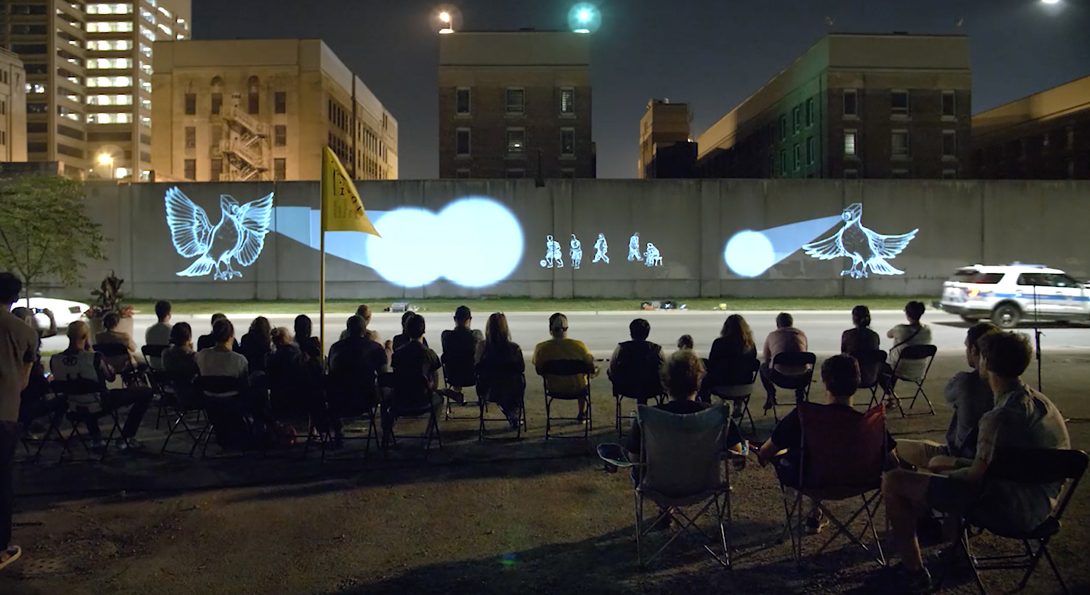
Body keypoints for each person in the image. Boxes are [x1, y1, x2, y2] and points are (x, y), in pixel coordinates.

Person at [874, 332, 1071, 593]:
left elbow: (974, 475)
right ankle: (954, 550)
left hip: (1007, 508)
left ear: (986, 361)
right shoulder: (1042, 403)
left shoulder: (997, 417)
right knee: (940, 472)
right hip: (1043, 504)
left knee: (895, 480)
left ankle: (914, 572)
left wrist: (946, 464)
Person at [757, 355, 898, 535]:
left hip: (812, 481)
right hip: (862, 481)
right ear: (858, 381)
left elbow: (767, 451)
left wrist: (762, 454)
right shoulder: (871, 423)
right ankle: (814, 515)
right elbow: (893, 463)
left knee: (806, 457)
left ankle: (813, 514)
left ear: (825, 381)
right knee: (821, 455)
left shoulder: (805, 416)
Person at [897, 323, 999, 470]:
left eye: (967, 347)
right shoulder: (1014, 392)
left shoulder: (966, 382)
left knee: (893, 447)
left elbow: (949, 395)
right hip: (985, 459)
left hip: (960, 457)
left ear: (974, 349)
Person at [49, 321, 154, 451]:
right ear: (85, 337)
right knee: (146, 392)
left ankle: (96, 438)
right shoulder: (94, 358)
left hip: (73, 406)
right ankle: (127, 436)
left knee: (81, 390)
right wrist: (91, 352)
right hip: (100, 403)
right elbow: (111, 377)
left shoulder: (55, 359)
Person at [625, 349, 743, 459]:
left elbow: (634, 457)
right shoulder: (718, 414)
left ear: (665, 382)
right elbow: (737, 451)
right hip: (705, 479)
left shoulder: (647, 416)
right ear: (698, 381)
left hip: (659, 479)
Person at [0, 273, 38, 571]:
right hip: (5, 412)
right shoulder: (24, 332)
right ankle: (1, 548)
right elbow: (25, 381)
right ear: (15, 297)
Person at [326, 316, 388, 446]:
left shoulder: (336, 348)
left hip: (339, 400)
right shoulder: (375, 348)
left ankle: (338, 431)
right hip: (367, 398)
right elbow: (383, 375)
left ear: (347, 330)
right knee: (387, 392)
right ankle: (386, 435)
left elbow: (331, 372)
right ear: (365, 331)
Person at [533, 313, 597, 423]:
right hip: (577, 388)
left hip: (554, 387)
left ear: (550, 329)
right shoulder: (579, 346)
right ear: (567, 328)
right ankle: (581, 413)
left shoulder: (541, 348)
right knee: (585, 377)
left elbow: (538, 369)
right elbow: (590, 366)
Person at [388, 314, 443, 436]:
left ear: (406, 331)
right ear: (423, 331)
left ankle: (388, 434)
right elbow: (435, 384)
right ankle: (429, 434)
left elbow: (395, 377)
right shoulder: (430, 354)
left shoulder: (397, 354)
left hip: (400, 400)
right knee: (439, 400)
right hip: (422, 401)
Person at [475, 313, 526, 428]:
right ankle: (513, 413)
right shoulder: (514, 348)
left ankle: (511, 412)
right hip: (511, 389)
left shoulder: (483, 347)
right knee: (510, 384)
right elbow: (521, 368)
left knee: (497, 384)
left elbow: (477, 367)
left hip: (489, 390)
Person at [703, 314, 759, 403]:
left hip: (722, 385)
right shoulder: (750, 345)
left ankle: (705, 404)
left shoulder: (719, 343)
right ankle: (738, 404)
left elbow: (711, 364)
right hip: (744, 386)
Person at [607, 318, 664, 404]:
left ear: (631, 333)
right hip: (652, 388)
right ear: (647, 334)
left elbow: (612, 368)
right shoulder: (656, 349)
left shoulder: (621, 348)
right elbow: (665, 368)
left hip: (626, 388)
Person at [759, 312, 809, 410]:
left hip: (780, 378)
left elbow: (766, 357)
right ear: (791, 323)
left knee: (763, 367)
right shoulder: (801, 334)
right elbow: (805, 354)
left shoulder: (772, 335)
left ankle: (771, 395)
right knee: (802, 367)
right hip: (801, 379)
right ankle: (800, 396)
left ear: (777, 324)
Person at [440, 306, 484, 405]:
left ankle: (457, 393)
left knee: (455, 360)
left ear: (455, 319)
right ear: (470, 319)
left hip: (453, 376)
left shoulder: (447, 336)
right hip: (473, 376)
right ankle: (482, 396)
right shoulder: (476, 335)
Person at [884, 301, 933, 386]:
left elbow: (889, 334)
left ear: (907, 314)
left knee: (883, 368)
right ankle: (890, 395)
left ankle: (889, 394)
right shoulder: (927, 331)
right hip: (919, 371)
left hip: (899, 369)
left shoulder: (901, 329)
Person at [162, 322, 200, 387]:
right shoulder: (192, 356)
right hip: (190, 388)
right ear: (189, 337)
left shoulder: (166, 353)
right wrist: (191, 351)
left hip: (174, 386)